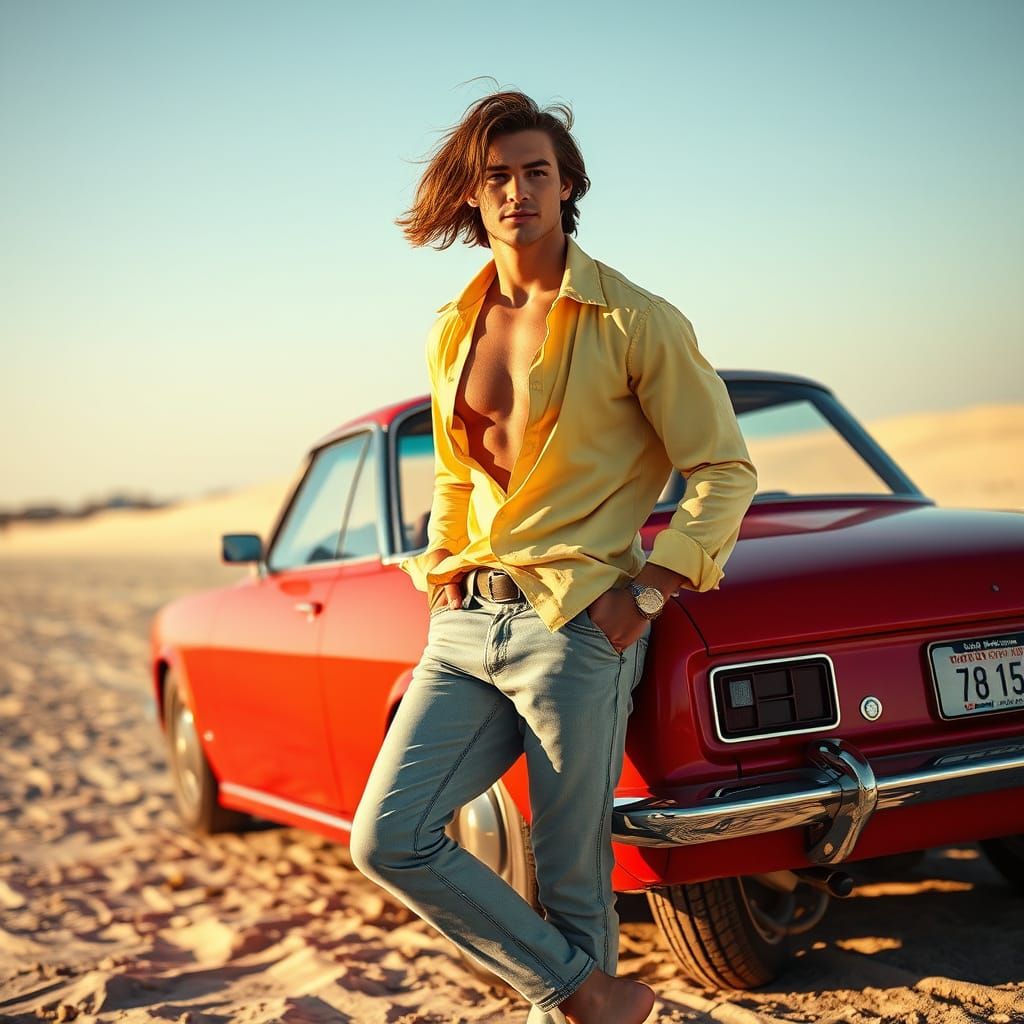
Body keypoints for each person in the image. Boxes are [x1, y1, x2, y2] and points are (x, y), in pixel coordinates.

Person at [350, 90, 758, 1024]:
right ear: (471, 196)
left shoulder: (635, 321)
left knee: (575, 888)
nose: (517, 191)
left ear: (568, 185)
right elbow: (455, 473)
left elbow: (724, 469)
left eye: (537, 172)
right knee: (388, 837)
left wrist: (648, 593)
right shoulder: (453, 328)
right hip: (464, 627)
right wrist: (445, 559)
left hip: (577, 624)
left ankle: (576, 997)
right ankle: (592, 999)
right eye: (496, 177)